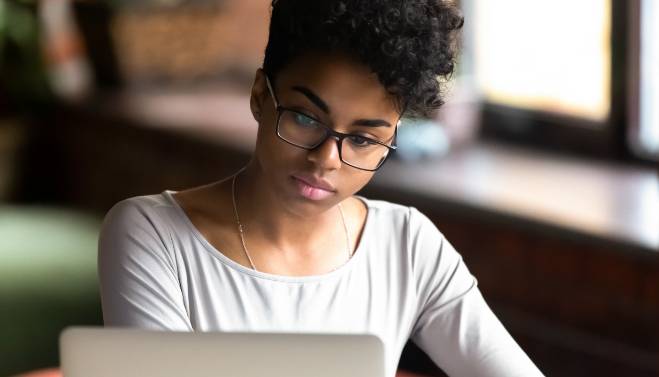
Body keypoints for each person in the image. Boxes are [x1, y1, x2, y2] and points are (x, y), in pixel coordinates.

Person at [98, 0, 544, 376]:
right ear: (259, 96)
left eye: (364, 139)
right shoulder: (153, 237)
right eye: (306, 118)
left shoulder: (408, 247)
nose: (326, 159)